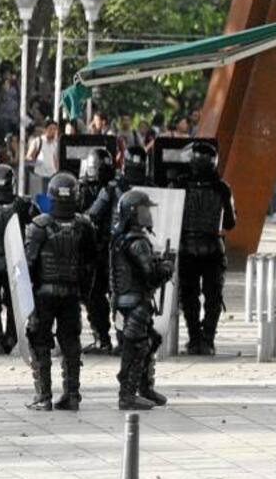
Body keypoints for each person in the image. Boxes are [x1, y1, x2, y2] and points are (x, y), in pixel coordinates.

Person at [24, 172, 98, 411]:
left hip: (43, 294)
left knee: (40, 342)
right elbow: (90, 263)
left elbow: (28, 264)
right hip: (71, 293)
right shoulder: (84, 226)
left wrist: (27, 295)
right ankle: (72, 394)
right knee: (70, 343)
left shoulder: (39, 226)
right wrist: (85, 292)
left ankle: (43, 396)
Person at [111, 190, 175, 410]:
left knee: (149, 341)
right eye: (143, 210)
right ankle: (127, 394)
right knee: (136, 346)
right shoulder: (137, 242)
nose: (148, 214)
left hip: (129, 300)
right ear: (132, 213)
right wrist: (166, 267)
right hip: (135, 302)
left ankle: (145, 388)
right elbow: (151, 275)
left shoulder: (122, 238)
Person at [178, 141, 236, 355]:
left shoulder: (181, 185)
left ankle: (194, 339)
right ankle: (208, 339)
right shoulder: (222, 188)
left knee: (189, 297)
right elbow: (230, 223)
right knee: (213, 297)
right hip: (213, 248)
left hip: (187, 248)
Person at [0, 164, 38, 354]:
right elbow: (39, 222)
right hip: (13, 262)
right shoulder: (21, 205)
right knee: (13, 302)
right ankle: (10, 336)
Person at [78, 147, 118, 354]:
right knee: (110, 295)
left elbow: (89, 215)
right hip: (111, 250)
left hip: (101, 251)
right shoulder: (118, 187)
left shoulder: (108, 190)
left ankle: (103, 338)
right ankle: (112, 338)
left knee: (96, 296)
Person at [26, 120, 60, 195]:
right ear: (45, 130)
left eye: (55, 129)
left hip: (52, 175)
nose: (53, 131)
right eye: (51, 129)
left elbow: (56, 159)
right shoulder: (38, 141)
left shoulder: (56, 144)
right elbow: (29, 157)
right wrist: (36, 162)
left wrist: (57, 172)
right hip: (40, 175)